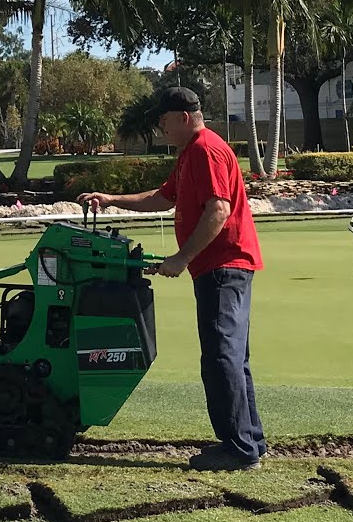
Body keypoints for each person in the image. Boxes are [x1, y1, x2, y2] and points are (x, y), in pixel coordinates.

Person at [80, 87, 266, 471]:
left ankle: (239, 450)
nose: (161, 128)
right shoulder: (190, 154)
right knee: (232, 357)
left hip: (224, 267)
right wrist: (111, 199)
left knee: (221, 356)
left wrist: (182, 258)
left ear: (183, 118)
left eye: (164, 121)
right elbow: (163, 198)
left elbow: (219, 209)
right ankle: (249, 441)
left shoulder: (206, 150)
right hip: (220, 267)